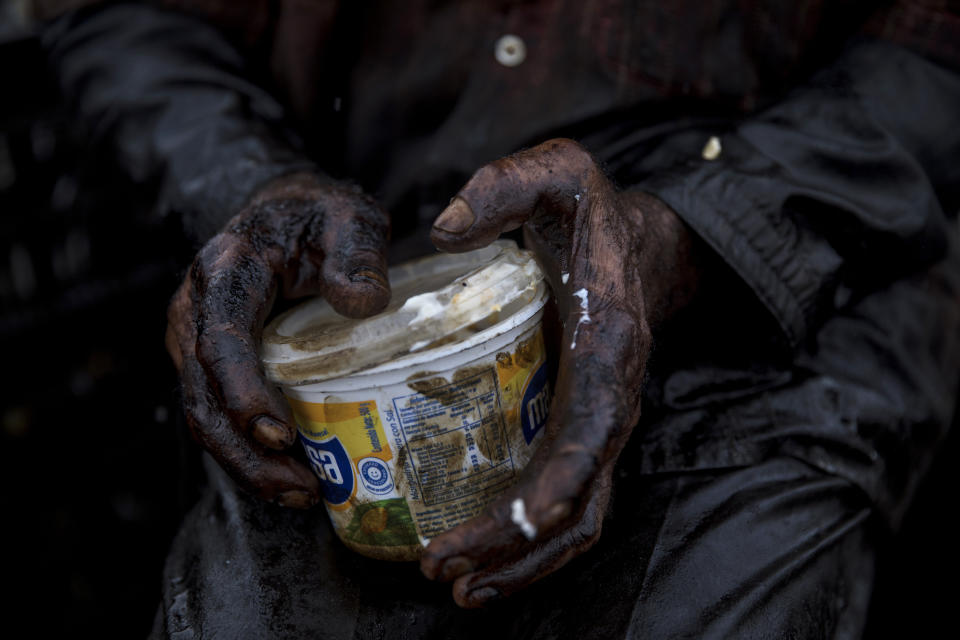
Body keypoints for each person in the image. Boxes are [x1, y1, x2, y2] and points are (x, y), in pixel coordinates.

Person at [37, 0, 960, 637]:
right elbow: (134, 19)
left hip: (784, 292)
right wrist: (252, 188)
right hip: (371, 312)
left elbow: (931, 59)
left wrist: (692, 234)